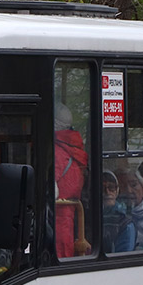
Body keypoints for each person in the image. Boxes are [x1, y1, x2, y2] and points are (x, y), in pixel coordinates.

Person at [53, 104, 89, 257]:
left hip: (56, 220)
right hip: (70, 220)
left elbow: (51, 190)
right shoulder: (77, 149)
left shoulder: (56, 151)